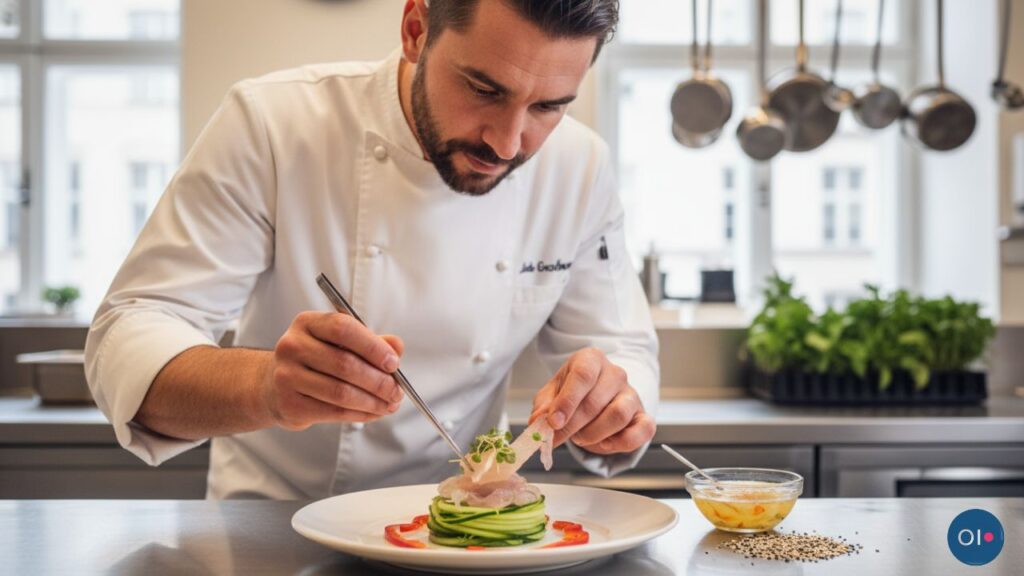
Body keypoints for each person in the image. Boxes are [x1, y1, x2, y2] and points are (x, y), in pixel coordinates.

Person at [84, 0, 659, 499]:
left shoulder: (581, 167)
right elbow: (131, 334)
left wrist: (609, 402)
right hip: (274, 534)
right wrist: (266, 387)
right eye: (484, 89)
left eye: (549, 107)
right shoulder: (275, 124)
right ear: (415, 30)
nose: (507, 142)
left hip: (462, 535)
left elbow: (619, 349)